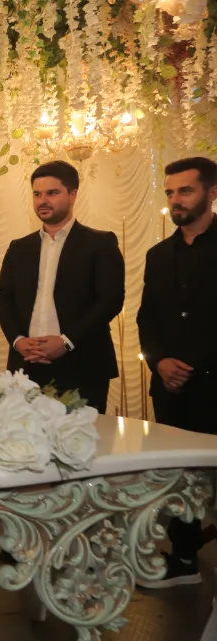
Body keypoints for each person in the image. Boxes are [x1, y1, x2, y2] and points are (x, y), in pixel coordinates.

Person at [137, 156, 217, 588]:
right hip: (171, 389)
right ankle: (184, 559)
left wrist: (195, 365)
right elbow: (146, 318)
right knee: (178, 480)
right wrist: (159, 362)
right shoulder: (158, 255)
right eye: (170, 192)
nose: (175, 200)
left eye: (185, 190)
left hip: (214, 385)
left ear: (211, 193)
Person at [0, 160, 125, 413]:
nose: (43, 201)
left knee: (83, 436)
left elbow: (110, 301)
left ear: (72, 195)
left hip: (83, 364)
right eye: (37, 194)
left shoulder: (100, 243)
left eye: (52, 193)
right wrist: (18, 341)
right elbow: (3, 299)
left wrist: (66, 342)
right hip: (27, 366)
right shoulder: (19, 248)